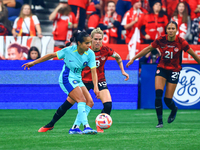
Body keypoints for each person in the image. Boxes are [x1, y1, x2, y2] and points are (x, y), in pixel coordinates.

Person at [37, 27, 129, 134]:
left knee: (108, 105)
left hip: (98, 81)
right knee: (67, 104)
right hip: (82, 80)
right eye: (95, 39)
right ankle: (51, 124)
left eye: (100, 39)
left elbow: (118, 57)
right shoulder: (83, 51)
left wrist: (123, 71)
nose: (97, 42)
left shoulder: (106, 50)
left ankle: (98, 126)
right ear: (91, 39)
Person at [22, 30, 100, 134]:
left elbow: (93, 72)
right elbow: (51, 55)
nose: (89, 45)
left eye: (89, 42)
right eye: (87, 43)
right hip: (67, 78)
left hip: (77, 79)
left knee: (89, 102)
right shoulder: (68, 51)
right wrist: (34, 62)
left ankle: (74, 128)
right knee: (81, 100)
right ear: (79, 43)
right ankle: (86, 126)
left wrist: (96, 87)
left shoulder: (90, 53)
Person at [126, 21, 200, 128]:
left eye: (173, 28)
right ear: (166, 30)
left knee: (167, 99)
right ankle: (160, 122)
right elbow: (148, 49)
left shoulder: (181, 41)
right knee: (158, 94)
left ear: (176, 30)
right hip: (162, 68)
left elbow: (193, 55)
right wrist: (133, 58)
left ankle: (174, 109)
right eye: (169, 28)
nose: (170, 30)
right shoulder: (161, 39)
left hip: (174, 70)